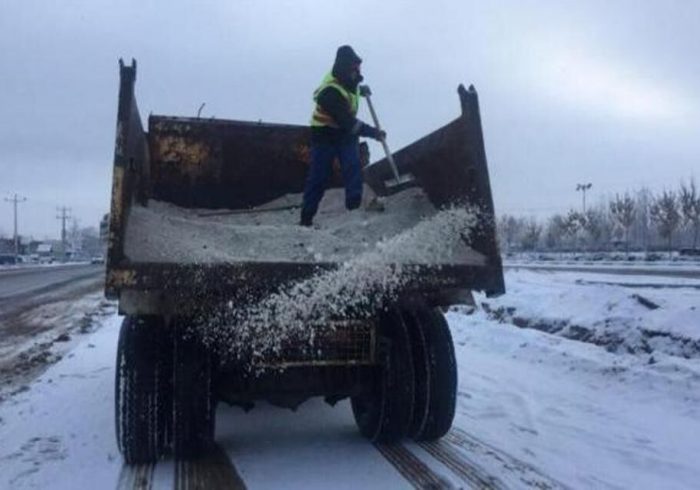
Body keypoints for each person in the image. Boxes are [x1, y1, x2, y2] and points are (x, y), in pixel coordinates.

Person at [300, 45, 385, 227]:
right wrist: (374, 133)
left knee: (352, 167)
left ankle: (353, 211)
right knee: (319, 176)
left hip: (344, 133)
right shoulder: (330, 92)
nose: (358, 71)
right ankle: (306, 218)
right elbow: (349, 123)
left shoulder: (347, 78)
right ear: (345, 68)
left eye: (358, 68)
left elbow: (350, 89)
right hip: (324, 133)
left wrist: (360, 89)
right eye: (354, 68)